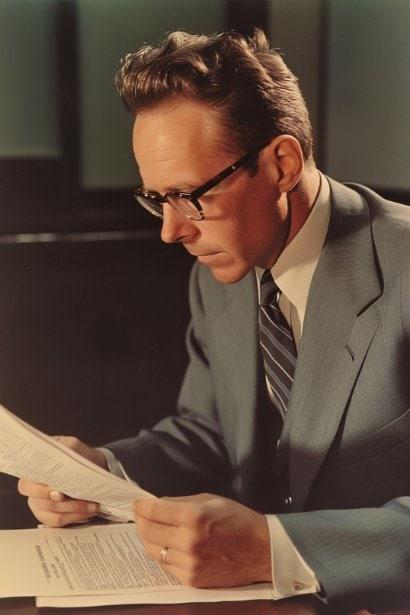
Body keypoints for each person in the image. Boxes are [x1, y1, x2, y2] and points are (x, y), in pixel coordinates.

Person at [17, 30, 409, 611]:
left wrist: (274, 547)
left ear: (282, 163)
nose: (170, 231)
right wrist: (101, 469)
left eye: (188, 196)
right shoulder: (223, 266)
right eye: (156, 198)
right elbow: (209, 432)